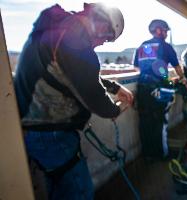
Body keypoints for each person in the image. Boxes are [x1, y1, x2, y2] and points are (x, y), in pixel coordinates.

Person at [14, 3, 133, 199]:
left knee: (59, 191)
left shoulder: (58, 31)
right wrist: (117, 109)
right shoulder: (77, 46)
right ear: (102, 24)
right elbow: (101, 105)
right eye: (108, 37)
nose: (103, 43)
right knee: (79, 192)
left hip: (35, 130)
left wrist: (114, 87)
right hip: (52, 135)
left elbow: (72, 76)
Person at [133, 19, 186, 159]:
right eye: (165, 30)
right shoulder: (165, 46)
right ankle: (162, 154)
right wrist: (182, 78)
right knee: (160, 122)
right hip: (159, 89)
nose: (166, 33)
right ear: (158, 30)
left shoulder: (142, 46)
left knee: (145, 122)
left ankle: (148, 155)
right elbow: (177, 67)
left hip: (143, 89)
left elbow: (137, 67)